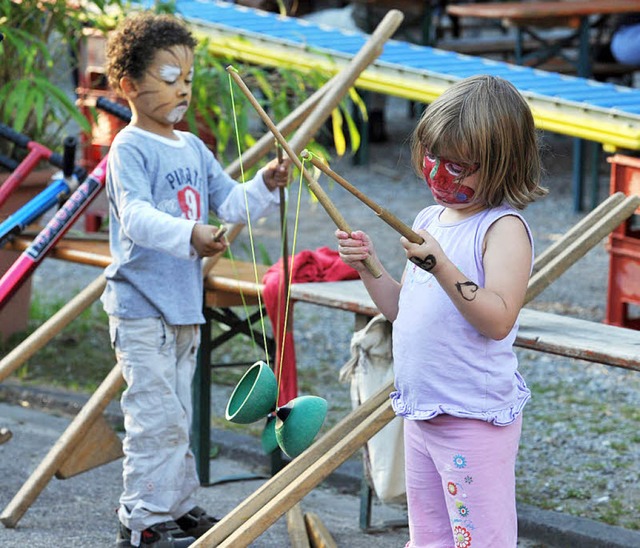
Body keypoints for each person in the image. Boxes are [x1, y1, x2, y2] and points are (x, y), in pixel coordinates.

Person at [102, 12, 289, 548]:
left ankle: (176, 506)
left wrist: (264, 183)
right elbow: (135, 217)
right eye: (167, 77)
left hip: (183, 304)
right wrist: (191, 233)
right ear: (130, 87)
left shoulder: (192, 147)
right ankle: (140, 520)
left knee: (177, 413)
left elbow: (229, 202)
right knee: (153, 417)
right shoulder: (129, 148)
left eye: (186, 78)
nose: (181, 89)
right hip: (141, 307)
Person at [335, 75, 547, 547]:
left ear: (501, 164)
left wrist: (440, 264)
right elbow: (400, 312)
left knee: (479, 540)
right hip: (423, 411)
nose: (437, 175)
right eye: (432, 158)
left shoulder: (503, 229)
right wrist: (368, 266)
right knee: (429, 539)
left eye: (458, 166)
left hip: (472, 418)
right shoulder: (429, 221)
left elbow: (497, 320)